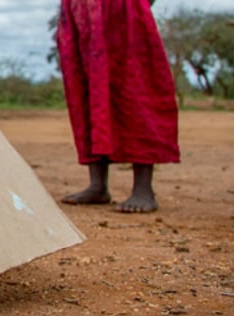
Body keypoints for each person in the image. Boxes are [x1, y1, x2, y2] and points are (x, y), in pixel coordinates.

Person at [56, 0, 180, 213]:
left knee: (135, 87)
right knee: (86, 93)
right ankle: (98, 185)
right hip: (80, 10)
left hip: (124, 10)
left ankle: (143, 188)